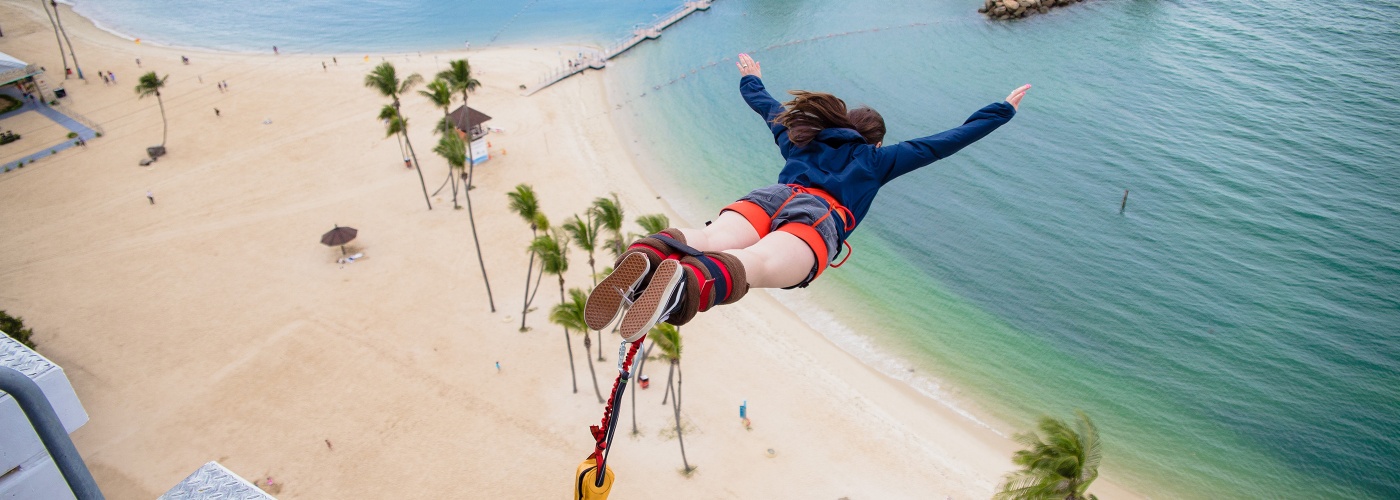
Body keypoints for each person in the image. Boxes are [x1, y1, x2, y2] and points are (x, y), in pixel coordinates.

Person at [585, 53, 1029, 340]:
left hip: (771, 196)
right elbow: (946, 141)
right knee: (755, 264)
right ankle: (686, 286)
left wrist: (751, 78)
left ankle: (651, 250)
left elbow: (766, 106)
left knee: (711, 236)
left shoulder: (799, 137)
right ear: (874, 142)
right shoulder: (877, 161)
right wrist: (1001, 111)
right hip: (818, 217)